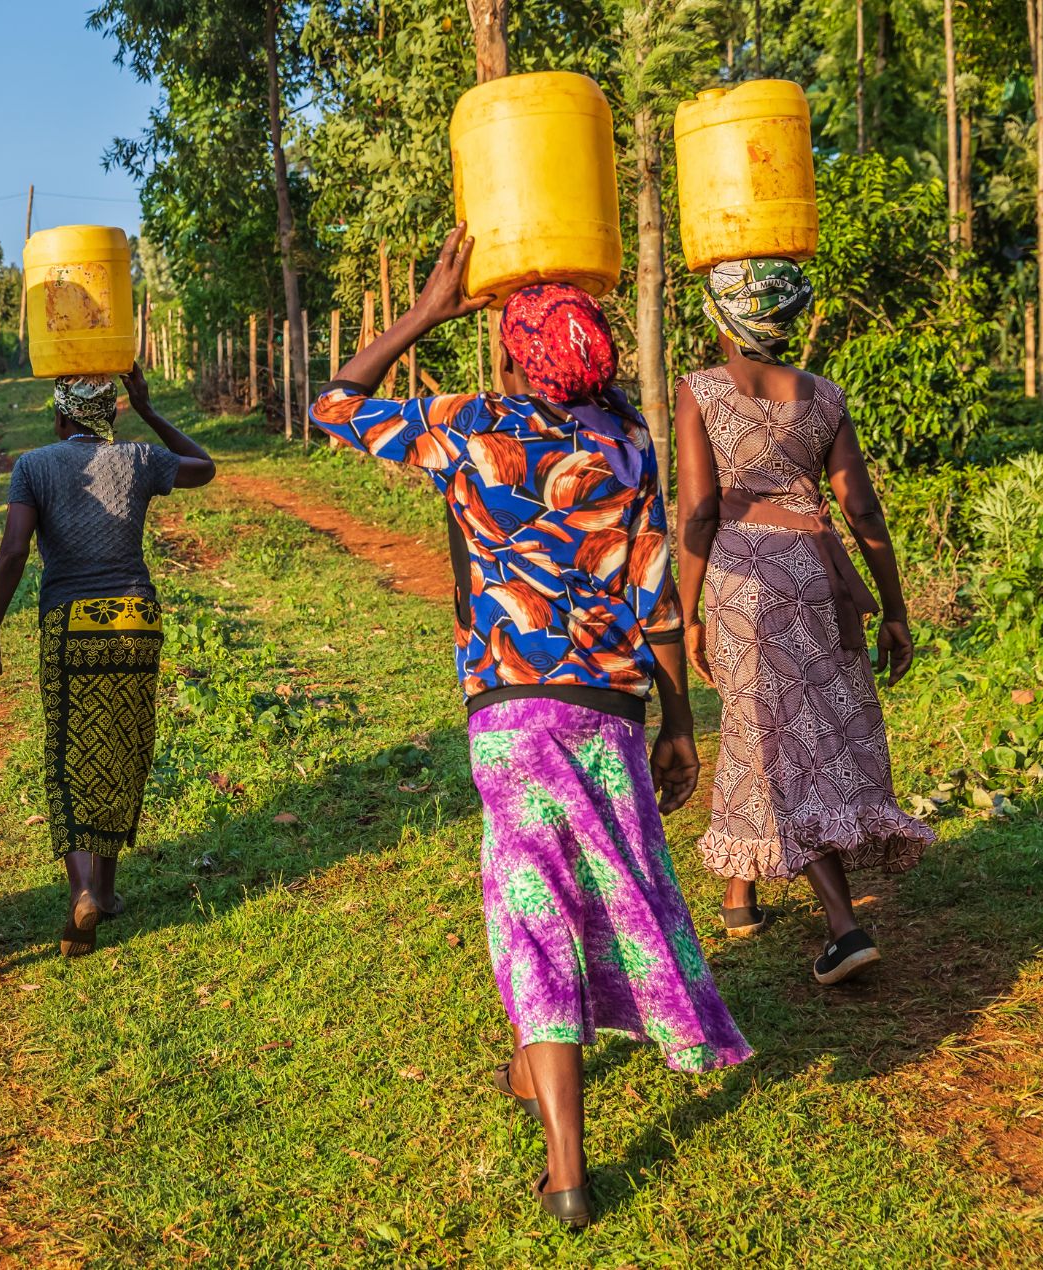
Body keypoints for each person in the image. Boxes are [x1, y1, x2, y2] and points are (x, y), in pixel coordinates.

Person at [308, 226, 751, 1229]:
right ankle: (544, 1067)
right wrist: (679, 719)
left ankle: (566, 1167)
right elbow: (655, 591)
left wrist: (427, 312)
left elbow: (331, 404)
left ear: (512, 350)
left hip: (509, 712)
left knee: (533, 909)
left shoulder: (472, 428)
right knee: (608, 889)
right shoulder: (628, 438)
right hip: (610, 708)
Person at [673, 257, 933, 984]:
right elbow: (863, 509)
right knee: (779, 728)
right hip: (817, 576)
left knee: (773, 738)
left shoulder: (700, 392)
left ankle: (845, 928)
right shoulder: (824, 396)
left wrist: (685, 610)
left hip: (740, 580)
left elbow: (696, 511)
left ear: (721, 319)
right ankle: (740, 889)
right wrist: (896, 610)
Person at [0, 366, 215, 958]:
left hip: (70, 624)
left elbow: (12, 551)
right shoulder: (137, 457)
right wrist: (152, 411)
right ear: (110, 417)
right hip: (135, 620)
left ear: (59, 419)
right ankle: (103, 893)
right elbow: (204, 468)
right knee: (121, 749)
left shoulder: (35, 466)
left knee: (70, 752)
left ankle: (84, 889)